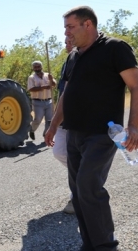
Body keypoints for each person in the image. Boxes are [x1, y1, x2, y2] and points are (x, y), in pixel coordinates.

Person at [45, 6, 138, 250]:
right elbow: (66, 94)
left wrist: (133, 126)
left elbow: (136, 86)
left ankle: (106, 245)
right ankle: (89, 244)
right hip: (74, 133)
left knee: (89, 185)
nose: (66, 32)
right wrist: (54, 124)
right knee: (78, 191)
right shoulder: (73, 56)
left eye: (70, 26)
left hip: (102, 133)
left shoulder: (115, 48)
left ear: (87, 24)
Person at [52, 37, 75, 214]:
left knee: (77, 159)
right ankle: (88, 182)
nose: (67, 43)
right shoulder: (67, 62)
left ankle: (78, 197)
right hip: (62, 117)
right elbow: (62, 93)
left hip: (79, 120)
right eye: (66, 40)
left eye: (70, 40)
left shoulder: (84, 61)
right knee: (59, 151)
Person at [27, 60, 56, 140]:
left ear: (41, 67)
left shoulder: (48, 75)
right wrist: (42, 88)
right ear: (33, 68)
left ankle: (46, 135)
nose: (37, 68)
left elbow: (54, 84)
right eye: (35, 67)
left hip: (49, 101)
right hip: (37, 102)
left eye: (38, 66)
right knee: (38, 119)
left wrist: (52, 79)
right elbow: (31, 89)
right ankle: (32, 130)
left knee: (49, 120)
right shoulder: (31, 77)